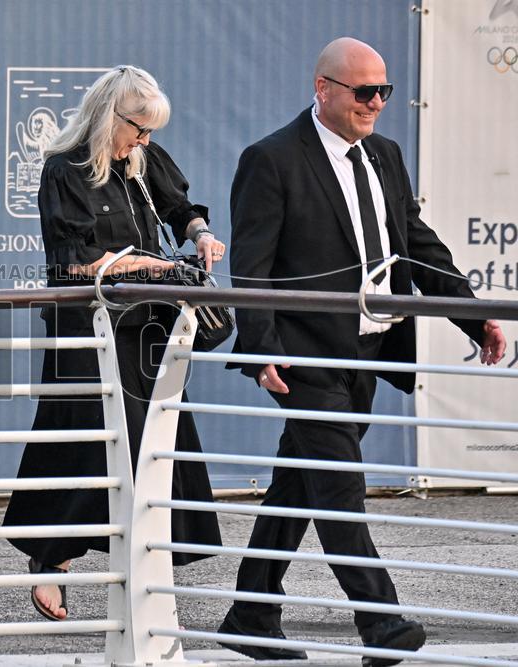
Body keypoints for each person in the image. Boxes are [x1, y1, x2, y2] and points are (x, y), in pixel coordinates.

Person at [222, 37, 508, 664]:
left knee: (300, 482)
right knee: (339, 488)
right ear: (323, 88)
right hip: (306, 357)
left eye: (384, 90)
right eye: (363, 91)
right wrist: (262, 346)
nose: (376, 103)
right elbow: (252, 267)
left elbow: (415, 242)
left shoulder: (385, 154)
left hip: (368, 353)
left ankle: (250, 611)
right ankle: (381, 623)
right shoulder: (270, 159)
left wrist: (471, 315)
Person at [2, 65, 224, 622]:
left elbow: (181, 207)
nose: (144, 141)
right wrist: (147, 265)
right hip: (90, 326)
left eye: (151, 131)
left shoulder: (145, 159)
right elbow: (71, 261)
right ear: (110, 116)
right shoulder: (65, 170)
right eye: (138, 129)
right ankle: (52, 558)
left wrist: (199, 234)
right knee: (81, 441)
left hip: (149, 326)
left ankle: (146, 564)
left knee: (154, 442)